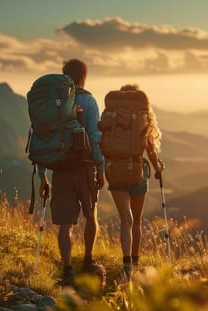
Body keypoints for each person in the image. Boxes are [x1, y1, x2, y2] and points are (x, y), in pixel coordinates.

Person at [38, 59, 105, 286]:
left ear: (64, 75)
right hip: (84, 166)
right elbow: (95, 138)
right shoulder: (88, 100)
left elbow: (43, 136)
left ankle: (67, 271)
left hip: (60, 168)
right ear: (84, 76)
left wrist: (42, 175)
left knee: (65, 225)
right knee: (91, 215)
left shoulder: (53, 102)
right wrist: (101, 168)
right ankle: (88, 260)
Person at [105, 84, 163, 280]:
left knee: (125, 220)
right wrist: (157, 168)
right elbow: (150, 150)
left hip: (115, 171)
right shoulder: (142, 119)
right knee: (136, 221)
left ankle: (127, 265)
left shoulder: (112, 117)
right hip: (138, 171)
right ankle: (135, 264)